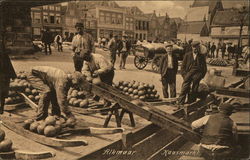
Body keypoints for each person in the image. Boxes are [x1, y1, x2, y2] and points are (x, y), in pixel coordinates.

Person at [177, 41, 207, 106]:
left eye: (196, 47)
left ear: (198, 48)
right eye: (193, 47)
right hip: (188, 74)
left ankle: (191, 103)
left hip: (197, 75)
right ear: (191, 47)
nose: (195, 49)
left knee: (194, 90)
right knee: (184, 88)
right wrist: (184, 76)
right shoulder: (187, 55)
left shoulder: (201, 56)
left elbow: (204, 68)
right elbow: (183, 67)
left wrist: (200, 76)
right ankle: (180, 104)